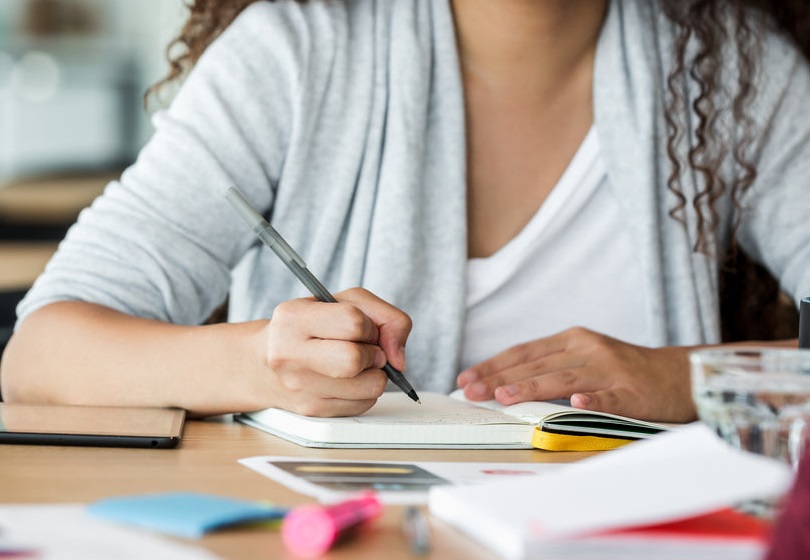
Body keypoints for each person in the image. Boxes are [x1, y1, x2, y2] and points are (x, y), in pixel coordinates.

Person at [1, 0, 809, 421]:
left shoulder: (735, 74)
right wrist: (264, 365)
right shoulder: (293, 56)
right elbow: (38, 359)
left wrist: (687, 378)